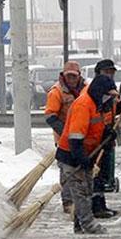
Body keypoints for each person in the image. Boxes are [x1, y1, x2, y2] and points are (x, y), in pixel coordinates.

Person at [56, 74, 120, 234]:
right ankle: (88, 224)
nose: (110, 99)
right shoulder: (84, 105)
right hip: (72, 155)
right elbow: (75, 136)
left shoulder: (97, 104)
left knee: (87, 190)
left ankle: (79, 224)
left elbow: (94, 129)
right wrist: (81, 158)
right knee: (81, 192)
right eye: (109, 95)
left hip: (86, 154)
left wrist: (107, 134)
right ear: (100, 91)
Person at [91, 59, 121, 218]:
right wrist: (102, 133)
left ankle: (100, 206)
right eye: (106, 72)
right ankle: (93, 208)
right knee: (94, 175)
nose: (109, 75)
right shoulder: (93, 92)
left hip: (105, 139)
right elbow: (94, 115)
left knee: (101, 175)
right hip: (94, 140)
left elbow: (114, 111)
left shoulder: (110, 91)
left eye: (112, 72)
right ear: (98, 74)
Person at [44, 61, 85, 214]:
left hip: (82, 138)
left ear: (79, 76)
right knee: (67, 170)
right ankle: (68, 203)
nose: (71, 79)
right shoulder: (56, 91)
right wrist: (65, 132)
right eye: (69, 76)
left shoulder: (85, 90)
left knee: (82, 169)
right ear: (63, 75)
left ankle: (82, 201)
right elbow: (50, 116)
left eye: (74, 76)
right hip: (63, 139)